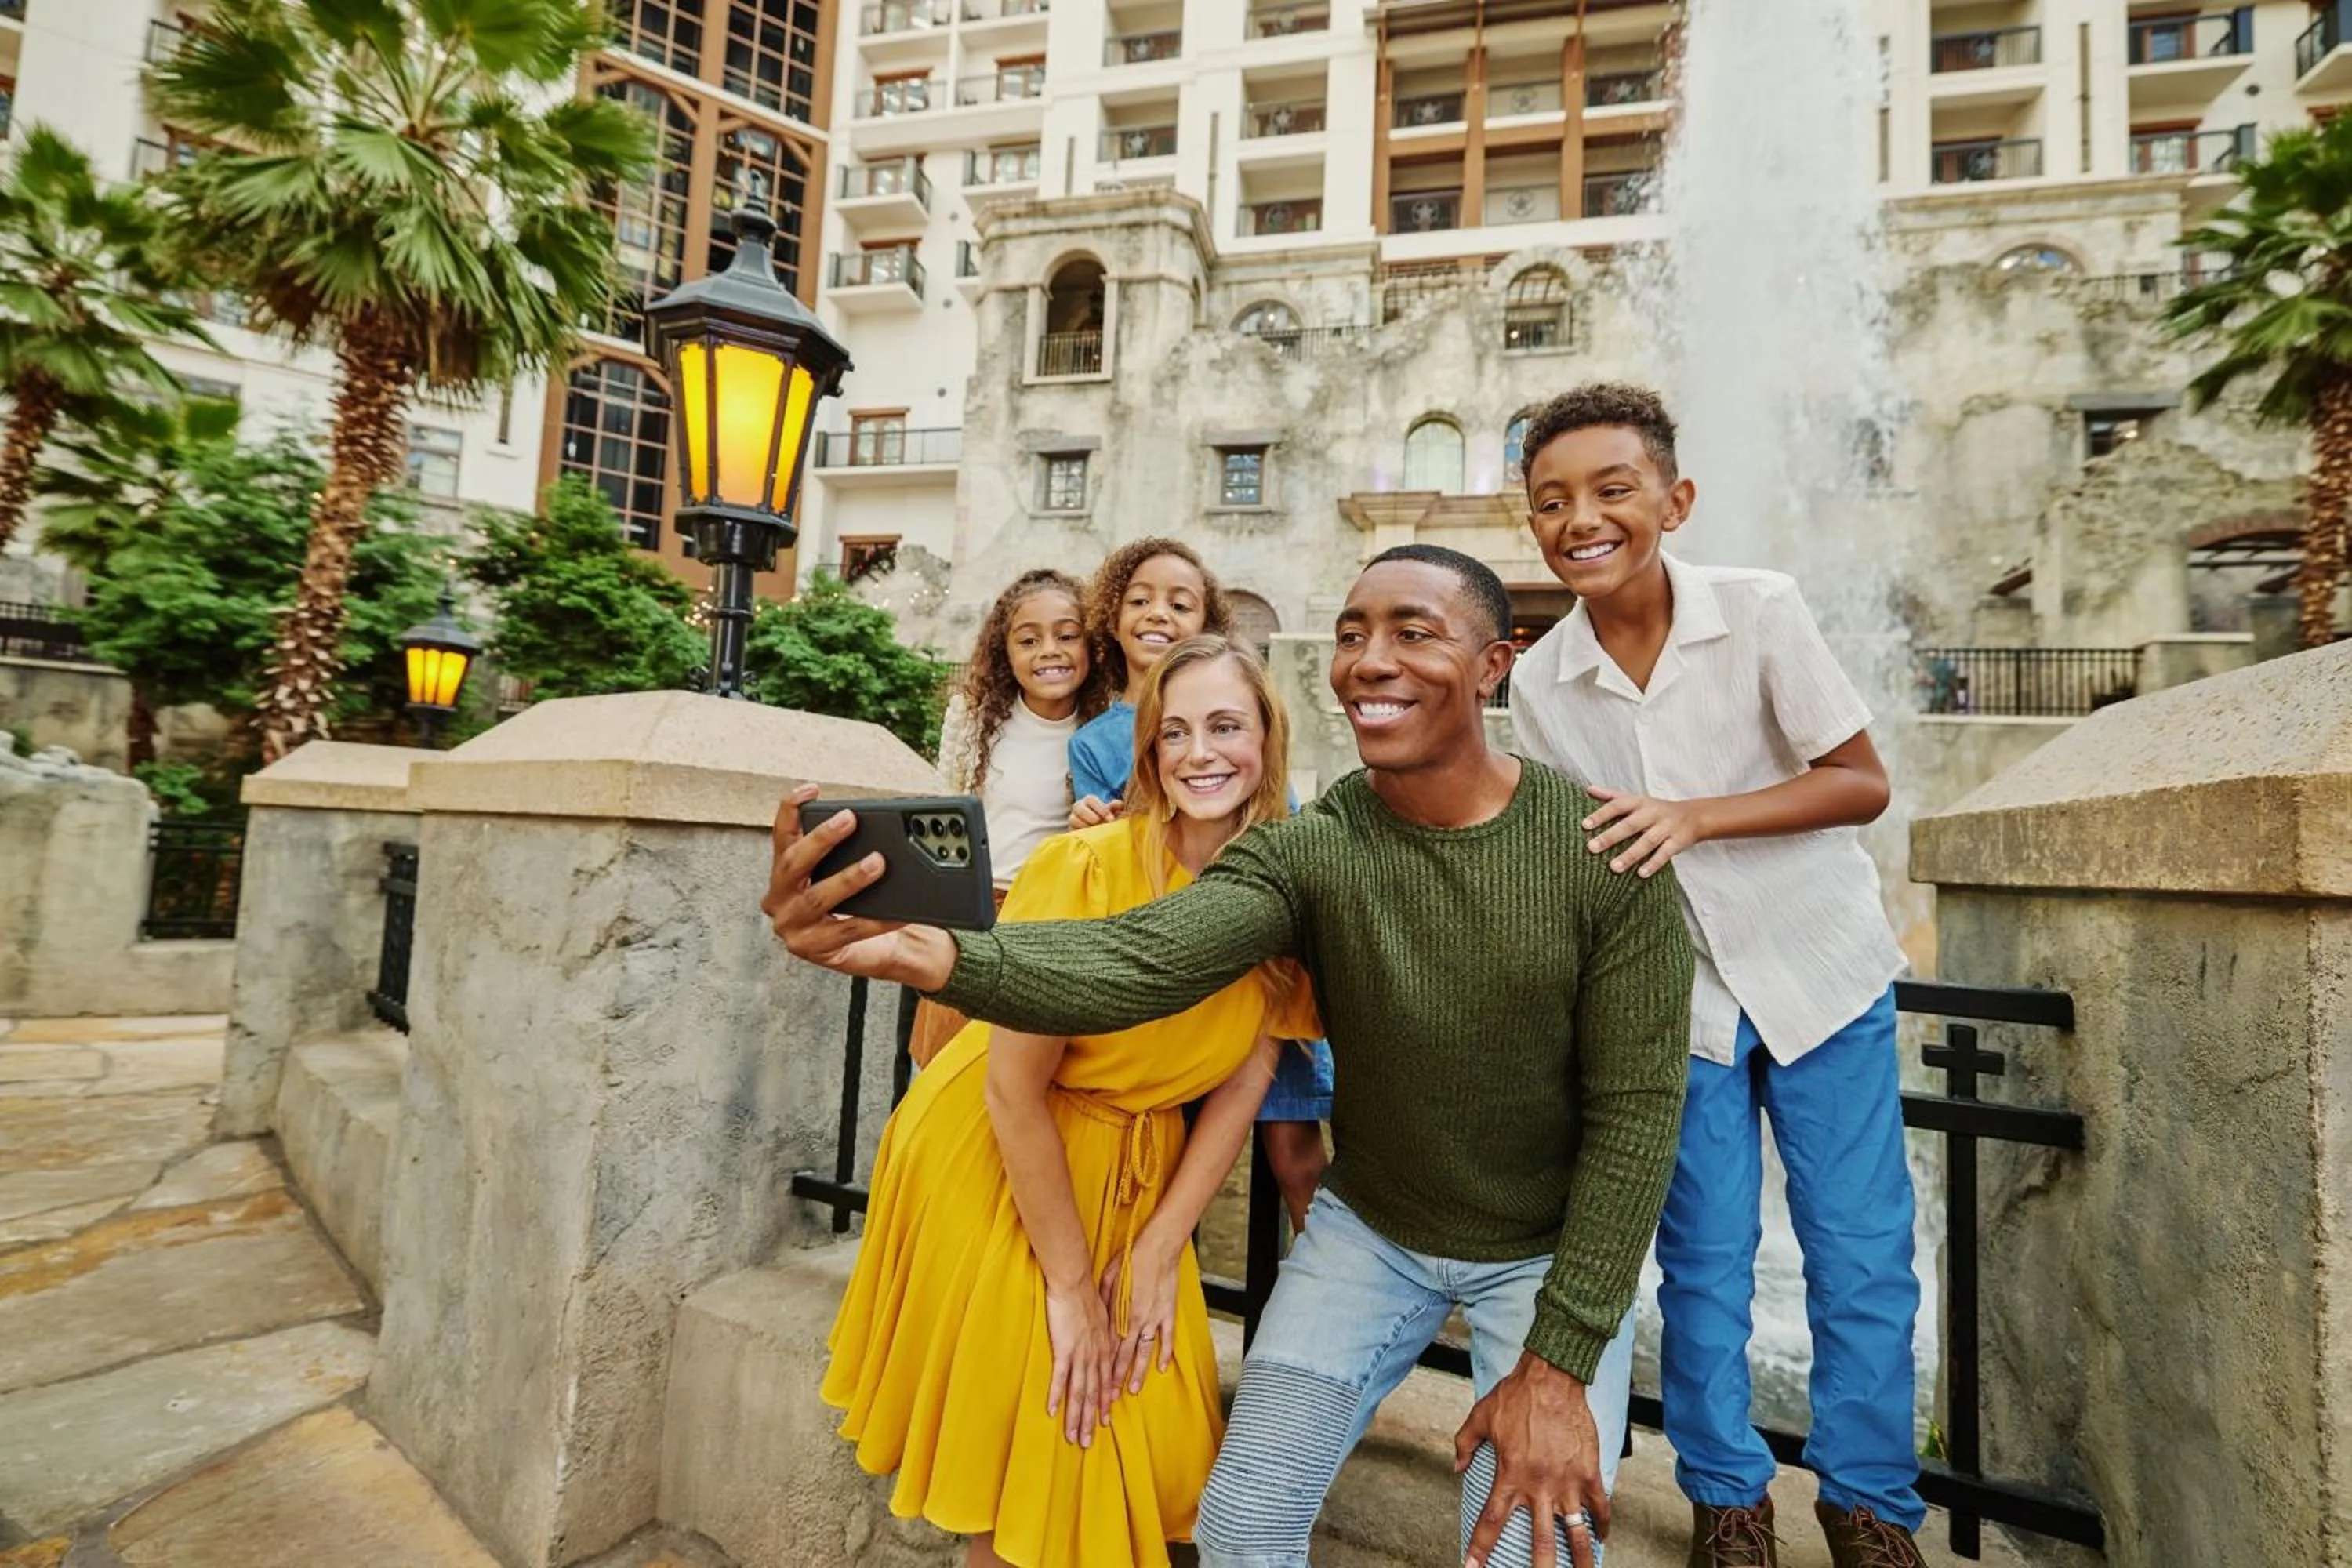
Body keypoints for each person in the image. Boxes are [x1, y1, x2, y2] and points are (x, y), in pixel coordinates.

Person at [767, 544, 1696, 1568]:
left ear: (1495, 665)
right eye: (1352, 635)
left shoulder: (1608, 853)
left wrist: (1559, 1366)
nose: (1370, 659)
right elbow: (1138, 957)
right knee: (1238, 1524)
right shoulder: (1316, 846)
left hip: (1544, 1251)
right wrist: (926, 952)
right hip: (1370, 1233)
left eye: (1413, 632)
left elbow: (1640, 1118)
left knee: (1535, 1550)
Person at [1503, 383, 1918, 1568]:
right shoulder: (1540, 684)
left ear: (1673, 501)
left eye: (1611, 489)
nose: (1581, 517)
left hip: (1822, 977)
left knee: (1860, 1257)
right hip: (1676, 1007)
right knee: (1702, 1268)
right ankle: (1728, 1497)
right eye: (1551, 502)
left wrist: (1696, 817)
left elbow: (1860, 781)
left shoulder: (1761, 611)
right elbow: (1569, 857)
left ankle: (1871, 1506)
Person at [824, 636, 1320, 1568]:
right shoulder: (1081, 868)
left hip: (1140, 1173)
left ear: (1267, 739)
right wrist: (1068, 1288)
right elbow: (1012, 1086)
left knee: (1152, 1438)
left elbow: (1249, 1076)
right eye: (1175, 731)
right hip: (999, 1151)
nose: (1200, 752)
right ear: (1148, 751)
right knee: (1060, 1431)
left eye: (1226, 725)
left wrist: (1164, 1243)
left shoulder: (1289, 895)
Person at [1067, 537, 1332, 1232]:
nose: (1159, 613)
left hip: (1259, 964)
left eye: (1180, 603)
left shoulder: (1247, 731)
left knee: (1293, 1146)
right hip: (1174, 964)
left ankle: (1318, 1288)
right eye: (1142, 598)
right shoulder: (1098, 741)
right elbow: (1118, 844)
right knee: (1169, 1143)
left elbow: (1285, 824)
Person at [909, 568, 1113, 1067]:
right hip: (971, 914)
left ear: (1092, 646)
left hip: (1049, 920)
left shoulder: (1104, 729)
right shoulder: (975, 718)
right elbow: (942, 809)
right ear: (1006, 652)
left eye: (1067, 636)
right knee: (941, 1067)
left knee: (1017, 1074)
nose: (1049, 650)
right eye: (1029, 639)